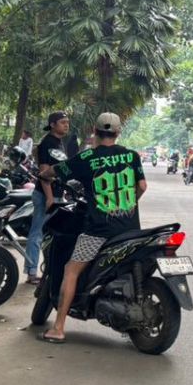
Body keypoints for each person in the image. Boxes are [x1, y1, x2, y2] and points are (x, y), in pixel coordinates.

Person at [39, 112, 146, 344]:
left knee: (71, 270)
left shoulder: (87, 158)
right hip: (130, 229)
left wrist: (45, 174)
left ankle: (58, 328)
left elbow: (56, 170)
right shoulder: (131, 156)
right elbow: (142, 186)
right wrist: (127, 204)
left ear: (96, 132)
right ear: (118, 132)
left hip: (98, 231)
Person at [29, 112, 80, 284]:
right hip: (44, 195)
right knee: (37, 233)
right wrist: (49, 197)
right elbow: (44, 172)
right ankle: (31, 271)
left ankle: (49, 270)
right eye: (63, 122)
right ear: (52, 124)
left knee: (52, 235)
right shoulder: (46, 143)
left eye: (67, 122)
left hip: (57, 194)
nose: (66, 125)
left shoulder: (60, 143)